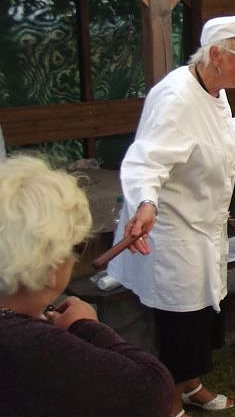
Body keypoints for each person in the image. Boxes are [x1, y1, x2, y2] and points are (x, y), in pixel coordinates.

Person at [108, 15, 235, 417]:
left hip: (203, 228)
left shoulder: (212, 89)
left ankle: (191, 385)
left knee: (202, 315)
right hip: (175, 230)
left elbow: (219, 133)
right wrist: (145, 202)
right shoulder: (175, 97)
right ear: (216, 54)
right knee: (180, 321)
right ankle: (168, 403)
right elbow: (147, 158)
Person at [0, 155, 173, 416]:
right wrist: (87, 327)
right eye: (77, 246)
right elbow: (152, 390)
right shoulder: (31, 346)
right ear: (49, 268)